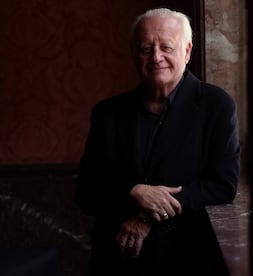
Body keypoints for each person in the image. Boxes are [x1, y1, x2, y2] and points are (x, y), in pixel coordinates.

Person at [74, 7, 240, 276]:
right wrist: (133, 190)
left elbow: (221, 186)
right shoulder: (107, 113)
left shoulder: (216, 105)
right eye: (146, 48)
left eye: (166, 47)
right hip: (117, 260)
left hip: (189, 258)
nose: (156, 57)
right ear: (134, 55)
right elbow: (86, 191)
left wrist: (147, 215)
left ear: (187, 51)